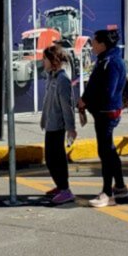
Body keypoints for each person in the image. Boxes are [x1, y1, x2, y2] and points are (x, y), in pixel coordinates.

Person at [78, 28, 128, 208]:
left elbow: (107, 91)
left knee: (105, 152)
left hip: (107, 111)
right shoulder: (106, 60)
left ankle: (107, 193)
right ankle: (120, 186)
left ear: (103, 44)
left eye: (94, 42)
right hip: (103, 111)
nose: (91, 46)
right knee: (109, 150)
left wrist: (87, 101)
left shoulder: (111, 63)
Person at [40, 44, 77, 205]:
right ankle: (60, 186)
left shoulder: (62, 79)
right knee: (52, 157)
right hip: (50, 123)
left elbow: (67, 106)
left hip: (57, 125)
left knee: (54, 158)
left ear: (53, 60)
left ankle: (65, 189)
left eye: (45, 59)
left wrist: (71, 128)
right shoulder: (52, 77)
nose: (43, 62)